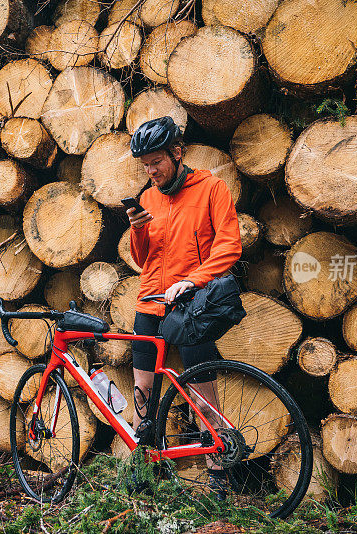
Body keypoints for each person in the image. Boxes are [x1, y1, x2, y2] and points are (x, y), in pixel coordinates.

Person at [127, 116, 242, 497]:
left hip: (191, 305)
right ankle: (145, 475)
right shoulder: (147, 198)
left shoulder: (212, 188)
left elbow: (229, 246)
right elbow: (142, 258)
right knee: (143, 391)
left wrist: (193, 280)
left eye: (156, 162)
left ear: (177, 153)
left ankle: (219, 476)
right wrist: (138, 228)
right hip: (149, 304)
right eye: (144, 165)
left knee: (201, 390)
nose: (150, 171)